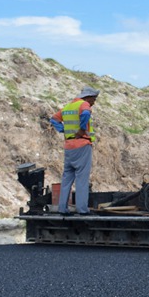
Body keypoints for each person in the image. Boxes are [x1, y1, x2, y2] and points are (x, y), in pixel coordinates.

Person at [50, 86, 99, 215]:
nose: (93, 103)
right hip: (82, 144)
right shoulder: (83, 104)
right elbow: (86, 113)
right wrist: (82, 129)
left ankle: (62, 208)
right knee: (82, 178)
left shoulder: (68, 107)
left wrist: (63, 130)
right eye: (94, 99)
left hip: (69, 146)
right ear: (88, 97)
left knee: (67, 178)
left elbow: (53, 119)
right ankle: (82, 209)